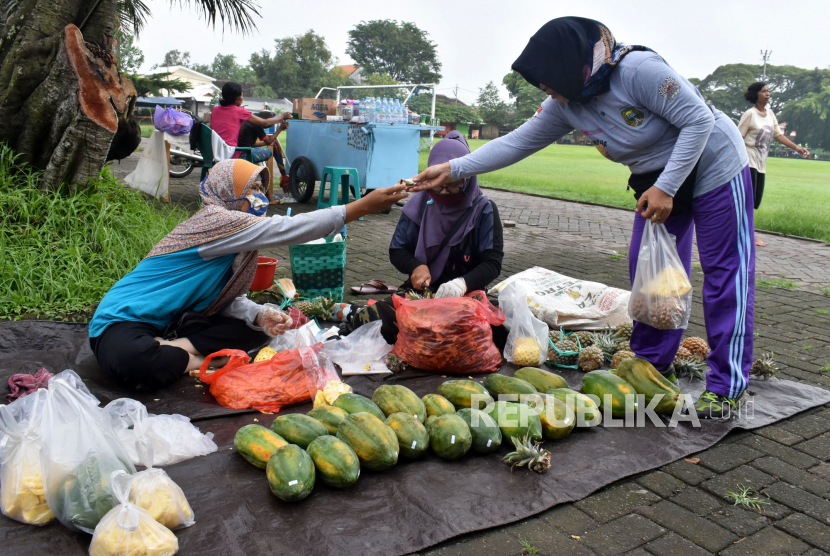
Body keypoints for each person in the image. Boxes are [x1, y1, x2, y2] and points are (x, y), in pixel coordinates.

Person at [411, 17, 753, 419]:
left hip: (714, 164)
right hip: (657, 181)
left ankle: (727, 387)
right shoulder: (565, 103)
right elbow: (518, 141)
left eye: (549, 81)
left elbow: (699, 119)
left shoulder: (638, 72)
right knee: (652, 280)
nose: (547, 91)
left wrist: (668, 187)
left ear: (575, 66)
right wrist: (454, 170)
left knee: (724, 273)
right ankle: (651, 368)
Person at [89, 159, 407, 390]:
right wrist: (359, 207)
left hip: (176, 322)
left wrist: (260, 314)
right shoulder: (214, 220)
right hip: (125, 320)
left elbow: (229, 300)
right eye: (251, 188)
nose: (259, 195)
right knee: (134, 360)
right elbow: (289, 229)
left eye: (260, 186)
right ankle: (201, 359)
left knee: (261, 330)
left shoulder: (243, 244)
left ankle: (177, 347)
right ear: (227, 190)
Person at [337, 131, 505, 346]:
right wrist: (417, 267)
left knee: (497, 332)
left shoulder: (484, 210)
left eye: (453, 184)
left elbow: (492, 263)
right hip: (422, 295)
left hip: (466, 297)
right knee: (375, 321)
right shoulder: (417, 206)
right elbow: (398, 250)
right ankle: (353, 313)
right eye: (438, 185)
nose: (444, 192)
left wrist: (462, 284)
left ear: (468, 177)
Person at [738, 82, 810, 246]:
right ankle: (750, 235)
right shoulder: (750, 114)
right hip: (749, 161)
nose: (767, 94)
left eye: (768, 91)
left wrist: (796, 148)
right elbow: (738, 136)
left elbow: (777, 134)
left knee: (754, 202)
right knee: (748, 201)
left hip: (761, 163)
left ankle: (744, 233)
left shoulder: (769, 113)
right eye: (764, 91)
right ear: (756, 94)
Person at [210, 82, 291, 159]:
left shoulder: (215, 109)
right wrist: (282, 116)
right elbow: (265, 123)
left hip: (215, 153)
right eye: (242, 95)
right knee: (268, 152)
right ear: (237, 99)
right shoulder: (240, 111)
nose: (242, 98)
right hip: (232, 154)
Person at [238, 110, 291, 196]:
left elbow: (252, 144)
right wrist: (280, 129)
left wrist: (266, 143)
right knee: (268, 152)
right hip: (246, 153)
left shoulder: (248, 123)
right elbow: (269, 140)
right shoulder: (257, 126)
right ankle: (269, 194)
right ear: (264, 120)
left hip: (242, 150)